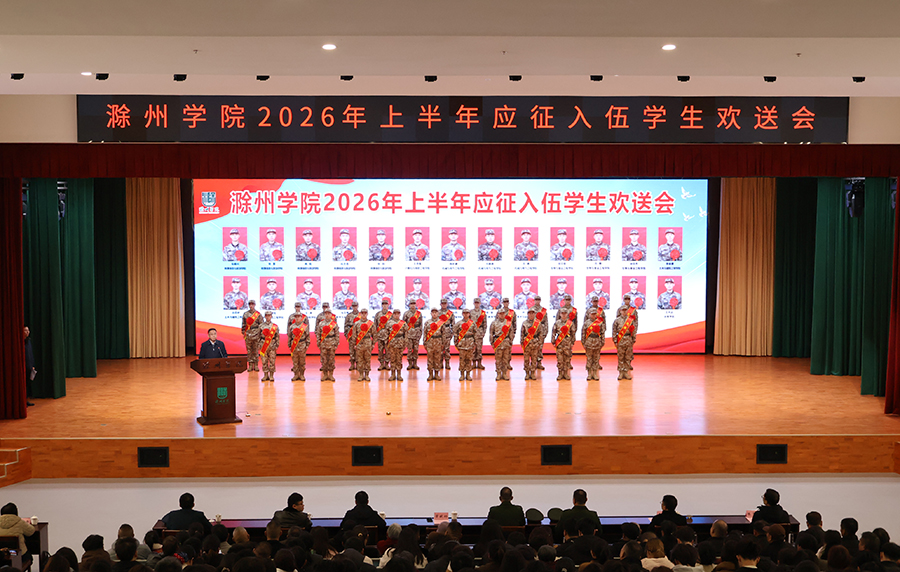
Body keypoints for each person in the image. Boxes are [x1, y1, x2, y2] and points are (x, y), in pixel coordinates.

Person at [552, 295, 577, 381]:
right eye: (562, 313)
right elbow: (553, 332)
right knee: (560, 360)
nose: (563, 315)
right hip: (559, 343)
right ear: (560, 314)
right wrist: (553, 341)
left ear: (567, 314)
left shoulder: (570, 323)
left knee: (566, 359)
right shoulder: (557, 323)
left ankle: (565, 374)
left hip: (567, 342)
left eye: (565, 313)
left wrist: (572, 342)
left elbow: (573, 333)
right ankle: (560, 374)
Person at [612, 298, 637, 380]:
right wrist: (615, 341)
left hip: (628, 339)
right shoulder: (617, 321)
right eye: (622, 310)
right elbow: (614, 331)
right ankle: (621, 373)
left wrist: (633, 339)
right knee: (620, 357)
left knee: (627, 357)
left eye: (625, 310)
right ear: (620, 311)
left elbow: (633, 330)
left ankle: (626, 372)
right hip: (621, 340)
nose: (624, 312)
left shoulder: (630, 320)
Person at [490, 299, 515, 381]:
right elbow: (491, 333)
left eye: (503, 313)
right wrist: (492, 343)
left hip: (506, 343)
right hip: (498, 343)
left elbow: (511, 333)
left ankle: (504, 373)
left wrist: (510, 341)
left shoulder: (508, 323)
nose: (501, 315)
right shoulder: (494, 323)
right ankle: (498, 374)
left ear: (505, 314)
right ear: (498, 314)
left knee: (505, 359)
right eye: (500, 314)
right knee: (498, 360)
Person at [316, 302, 339, 382]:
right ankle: (325, 375)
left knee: (331, 360)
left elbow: (337, 335)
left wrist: (336, 344)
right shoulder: (321, 324)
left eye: (329, 313)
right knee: (324, 360)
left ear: (331, 315)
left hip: (332, 343)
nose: (327, 315)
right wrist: (319, 343)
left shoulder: (334, 324)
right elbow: (318, 334)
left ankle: (331, 375)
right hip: (323, 344)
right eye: (326, 313)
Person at [384, 309, 409, 381]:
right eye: (395, 314)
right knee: (392, 359)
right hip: (392, 343)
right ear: (393, 314)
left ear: (400, 314)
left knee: (399, 360)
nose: (396, 315)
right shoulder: (389, 323)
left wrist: (405, 343)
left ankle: (399, 375)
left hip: (400, 343)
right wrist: (386, 343)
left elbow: (406, 334)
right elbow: (386, 334)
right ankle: (392, 375)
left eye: (398, 314)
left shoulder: (403, 323)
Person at [581, 308, 605, 381]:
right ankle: (589, 374)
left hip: (597, 341)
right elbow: (583, 333)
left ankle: (595, 373)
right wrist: (583, 342)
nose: (593, 315)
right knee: (589, 359)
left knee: (596, 359)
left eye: (595, 314)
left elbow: (602, 333)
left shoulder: (600, 323)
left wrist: (602, 342)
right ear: (589, 314)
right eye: (592, 314)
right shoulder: (586, 323)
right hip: (589, 342)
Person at [352, 308, 375, 381]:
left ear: (367, 314)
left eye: (365, 313)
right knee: (360, 360)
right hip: (359, 344)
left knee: (367, 360)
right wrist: (354, 344)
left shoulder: (371, 323)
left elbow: (374, 334)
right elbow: (354, 335)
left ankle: (367, 375)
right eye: (362, 313)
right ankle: (361, 375)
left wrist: (373, 343)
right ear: (360, 314)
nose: (364, 314)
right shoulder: (356, 323)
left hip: (368, 343)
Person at [454, 308, 477, 381]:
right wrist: (456, 343)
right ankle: (462, 375)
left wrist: (475, 343)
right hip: (462, 344)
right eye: (464, 313)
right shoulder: (459, 323)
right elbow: (455, 333)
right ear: (462, 314)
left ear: (469, 314)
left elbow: (475, 334)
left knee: (469, 359)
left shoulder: (472, 323)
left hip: (470, 343)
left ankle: (468, 374)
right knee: (462, 360)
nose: (466, 314)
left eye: (467, 313)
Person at [288, 307, 311, 381]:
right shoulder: (292, 326)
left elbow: (307, 337)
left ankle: (301, 375)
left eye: (299, 317)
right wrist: (289, 345)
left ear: (301, 318)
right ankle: (296, 375)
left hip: (302, 345)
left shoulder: (304, 326)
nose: (297, 318)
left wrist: (306, 346)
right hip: (294, 346)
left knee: (302, 362)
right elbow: (290, 337)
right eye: (296, 317)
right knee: (295, 361)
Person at [241, 300, 263, 371]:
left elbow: (261, 325)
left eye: (252, 304)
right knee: (249, 350)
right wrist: (243, 332)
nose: (251, 306)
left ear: (255, 305)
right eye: (250, 304)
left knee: (255, 350)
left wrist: (260, 334)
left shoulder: (258, 314)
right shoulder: (245, 314)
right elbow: (243, 324)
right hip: (248, 334)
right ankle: (250, 365)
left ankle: (256, 365)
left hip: (256, 334)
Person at [423, 308, 445, 381]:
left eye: (436, 312)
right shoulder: (427, 322)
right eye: (433, 312)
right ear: (431, 313)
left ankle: (436, 374)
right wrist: (425, 343)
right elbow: (425, 333)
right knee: (430, 359)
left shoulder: (441, 323)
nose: (434, 314)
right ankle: (430, 374)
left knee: (437, 359)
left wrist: (443, 343)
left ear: (438, 313)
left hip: (438, 342)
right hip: (430, 342)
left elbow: (444, 334)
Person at [521, 308, 541, 380]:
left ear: (534, 314)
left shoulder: (538, 323)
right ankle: (527, 373)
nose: (531, 315)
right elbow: (522, 334)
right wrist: (522, 343)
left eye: (533, 313)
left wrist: (539, 343)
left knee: (534, 359)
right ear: (527, 314)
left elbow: (540, 334)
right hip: (527, 344)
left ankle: (532, 373)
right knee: (526, 360)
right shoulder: (524, 323)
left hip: (535, 343)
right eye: (530, 313)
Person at [259, 310, 280, 381]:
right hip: (263, 345)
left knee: (272, 361)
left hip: (272, 346)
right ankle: (265, 375)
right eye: (267, 315)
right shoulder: (261, 326)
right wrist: (259, 345)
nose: (268, 317)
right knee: (264, 361)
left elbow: (277, 337)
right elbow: (258, 336)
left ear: (271, 316)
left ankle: (271, 375)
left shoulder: (275, 326)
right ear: (265, 316)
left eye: (269, 315)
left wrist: (276, 345)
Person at [403, 300, 423, 370]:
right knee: (409, 349)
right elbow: (404, 324)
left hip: (416, 334)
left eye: (414, 304)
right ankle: (409, 364)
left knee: (416, 349)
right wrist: (404, 334)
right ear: (409, 305)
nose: (413, 305)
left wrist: (420, 333)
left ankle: (415, 363)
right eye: (411, 304)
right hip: (409, 334)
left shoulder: (419, 314)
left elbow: (421, 324)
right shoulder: (406, 313)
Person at [374, 299, 392, 371]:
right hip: (380, 335)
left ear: (388, 305)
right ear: (381, 305)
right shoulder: (378, 314)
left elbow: (393, 325)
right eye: (383, 304)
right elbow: (375, 325)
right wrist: (375, 334)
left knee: (388, 350)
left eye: (386, 304)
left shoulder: (391, 315)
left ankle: (387, 364)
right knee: (380, 350)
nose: (384, 306)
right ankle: (381, 364)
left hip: (388, 335)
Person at [438, 298, 456, 370]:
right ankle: (440, 363)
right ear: (440, 304)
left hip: (447, 331)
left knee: (447, 349)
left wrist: (452, 333)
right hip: (439, 332)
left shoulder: (450, 313)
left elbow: (453, 324)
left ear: (447, 304)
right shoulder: (437, 312)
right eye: (442, 304)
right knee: (440, 349)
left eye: (445, 304)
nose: (444, 305)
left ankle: (447, 363)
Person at [532, 295, 549, 371]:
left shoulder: (543, 310)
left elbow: (546, 322)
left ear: (540, 301)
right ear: (534, 301)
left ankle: (539, 363)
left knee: (540, 347)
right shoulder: (531, 310)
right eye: (536, 300)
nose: (537, 301)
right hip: (533, 331)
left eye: (538, 300)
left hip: (541, 331)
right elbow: (529, 321)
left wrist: (545, 331)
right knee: (533, 347)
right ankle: (533, 363)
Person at [344, 300, 362, 372]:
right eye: (353, 306)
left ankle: (358, 364)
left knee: (358, 350)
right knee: (351, 350)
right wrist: (346, 334)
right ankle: (352, 364)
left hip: (359, 336)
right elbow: (345, 326)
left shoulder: (361, 315)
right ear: (352, 307)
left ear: (358, 306)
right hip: (351, 336)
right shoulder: (349, 316)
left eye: (356, 306)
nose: (355, 307)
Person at [471, 297, 488, 370]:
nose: (477, 304)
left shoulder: (483, 313)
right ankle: (474, 363)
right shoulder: (470, 312)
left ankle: (480, 363)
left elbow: (485, 324)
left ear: (480, 303)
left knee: (479, 349)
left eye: (478, 303)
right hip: (472, 332)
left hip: (480, 332)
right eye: (475, 303)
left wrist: (483, 333)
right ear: (474, 303)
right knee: (473, 348)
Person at [24, 326, 35, 406]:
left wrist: (32, 365)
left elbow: (30, 355)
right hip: (24, 367)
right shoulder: (20, 342)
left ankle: (26, 400)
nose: (27, 332)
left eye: (28, 330)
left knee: (27, 385)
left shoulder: (29, 341)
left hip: (29, 367)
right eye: (25, 330)